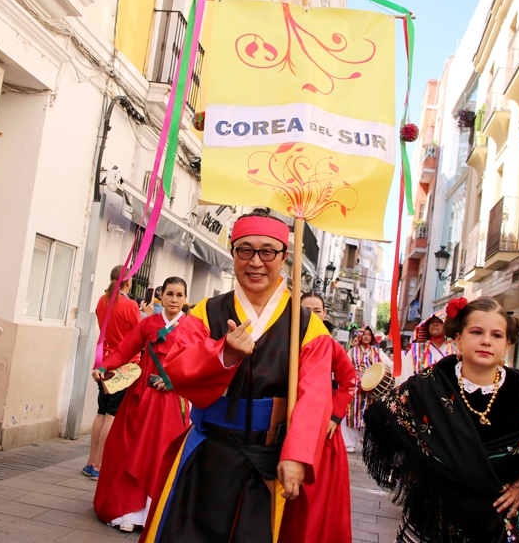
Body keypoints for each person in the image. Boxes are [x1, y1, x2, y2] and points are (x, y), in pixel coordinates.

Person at [139, 209, 333, 543]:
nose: (256, 261)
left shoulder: (308, 327)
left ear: (284, 257)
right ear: (233, 253)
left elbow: (315, 396)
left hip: (269, 461)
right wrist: (222, 355)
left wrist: (297, 456)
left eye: (267, 251)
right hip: (206, 451)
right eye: (245, 249)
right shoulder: (206, 311)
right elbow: (176, 368)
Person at [364, 296, 519, 543]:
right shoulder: (429, 384)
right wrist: (421, 468)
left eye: (496, 335)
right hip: (433, 521)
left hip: (498, 525)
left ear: (507, 345)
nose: (486, 341)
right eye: (476, 332)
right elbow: (385, 419)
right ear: (458, 338)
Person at [93, 277, 192, 532]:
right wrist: (103, 366)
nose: (174, 299)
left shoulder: (192, 327)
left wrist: (175, 379)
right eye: (169, 294)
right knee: (127, 450)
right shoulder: (148, 323)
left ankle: (154, 513)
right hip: (142, 397)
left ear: (185, 298)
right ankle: (129, 510)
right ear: (161, 296)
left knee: (161, 454)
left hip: (171, 401)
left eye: (179, 295)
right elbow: (124, 349)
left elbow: (198, 362)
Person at [278, 293, 356, 543]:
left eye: (318, 309)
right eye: (305, 308)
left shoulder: (332, 346)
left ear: (325, 314)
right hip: (283, 425)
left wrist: (334, 416)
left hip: (320, 433)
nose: (312, 313)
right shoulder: (284, 340)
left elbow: (349, 380)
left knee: (314, 500)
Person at [82, 265, 142, 480]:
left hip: (104, 363)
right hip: (124, 366)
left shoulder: (102, 300)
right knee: (112, 415)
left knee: (101, 411)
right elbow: (139, 334)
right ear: (128, 281)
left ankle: (90, 461)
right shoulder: (130, 305)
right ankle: (99, 464)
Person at [343, 326, 389, 452]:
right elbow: (345, 365)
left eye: (369, 334)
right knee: (351, 412)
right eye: (364, 334)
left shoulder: (378, 352)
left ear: (372, 337)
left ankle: (366, 441)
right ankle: (350, 442)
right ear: (360, 336)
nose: (366, 336)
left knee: (369, 413)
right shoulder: (352, 351)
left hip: (372, 387)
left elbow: (388, 365)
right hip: (355, 386)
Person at [397, 308, 457, 382]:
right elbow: (405, 378)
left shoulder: (455, 352)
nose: (435, 324)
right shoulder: (415, 350)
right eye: (432, 322)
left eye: (439, 321)